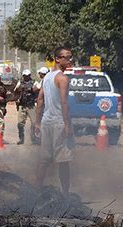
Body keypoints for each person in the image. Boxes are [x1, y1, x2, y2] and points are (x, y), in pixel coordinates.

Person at [35, 47, 76, 198]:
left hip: (46, 122)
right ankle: (65, 195)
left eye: (70, 57)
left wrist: (38, 122)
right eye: (66, 57)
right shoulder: (62, 78)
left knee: (44, 160)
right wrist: (67, 124)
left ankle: (36, 192)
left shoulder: (46, 77)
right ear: (58, 59)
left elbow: (39, 100)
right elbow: (64, 103)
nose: (69, 60)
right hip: (59, 123)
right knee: (63, 161)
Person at [14, 69, 38, 144]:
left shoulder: (34, 82)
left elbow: (37, 90)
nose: (26, 77)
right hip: (22, 105)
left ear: (30, 75)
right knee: (20, 123)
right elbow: (15, 91)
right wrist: (19, 90)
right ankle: (21, 139)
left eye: (27, 76)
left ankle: (33, 138)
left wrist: (30, 90)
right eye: (24, 76)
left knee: (34, 123)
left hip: (31, 105)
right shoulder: (20, 83)